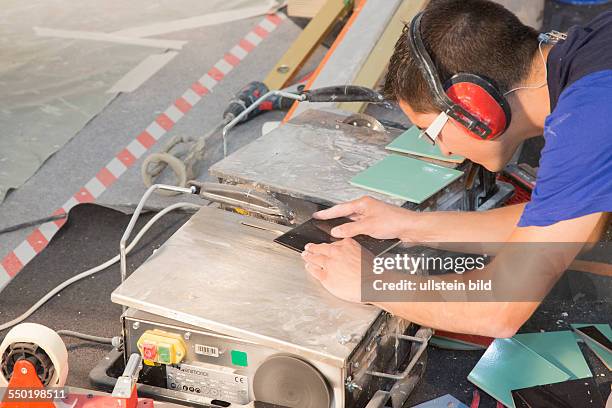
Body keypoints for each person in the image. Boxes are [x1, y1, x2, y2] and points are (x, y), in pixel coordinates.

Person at [301, 0, 611, 338]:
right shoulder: (593, 51)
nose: (443, 148)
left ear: (476, 109)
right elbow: (580, 227)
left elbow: (499, 309)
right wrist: (412, 225)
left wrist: (372, 282)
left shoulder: (588, 120)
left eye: (431, 132)